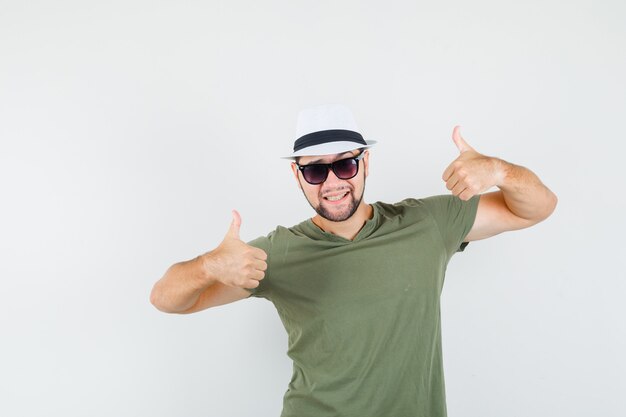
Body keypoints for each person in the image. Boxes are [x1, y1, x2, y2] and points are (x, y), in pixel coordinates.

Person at [150, 104, 557, 417]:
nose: (332, 183)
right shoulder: (278, 252)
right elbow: (167, 299)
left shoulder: (426, 223)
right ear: (297, 176)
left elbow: (536, 208)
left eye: (345, 164)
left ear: (365, 163)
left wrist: (500, 170)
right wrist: (207, 266)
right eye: (315, 172)